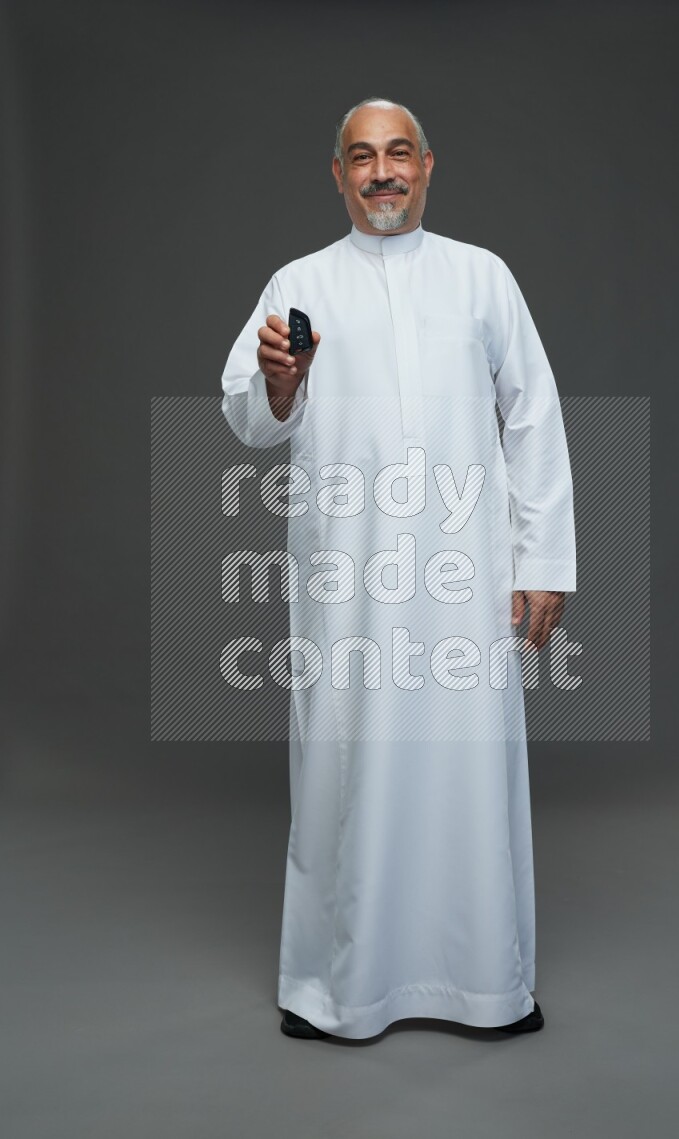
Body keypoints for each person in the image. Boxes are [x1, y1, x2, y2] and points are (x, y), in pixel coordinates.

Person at [220, 97, 576, 1041]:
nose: (383, 171)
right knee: (347, 766)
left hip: (468, 576)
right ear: (337, 175)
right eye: (362, 157)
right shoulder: (298, 283)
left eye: (399, 153)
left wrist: (544, 559)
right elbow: (249, 418)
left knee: (470, 769)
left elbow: (533, 415)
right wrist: (281, 383)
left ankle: (486, 984)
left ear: (428, 165)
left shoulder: (482, 279)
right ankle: (336, 989)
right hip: (349, 580)